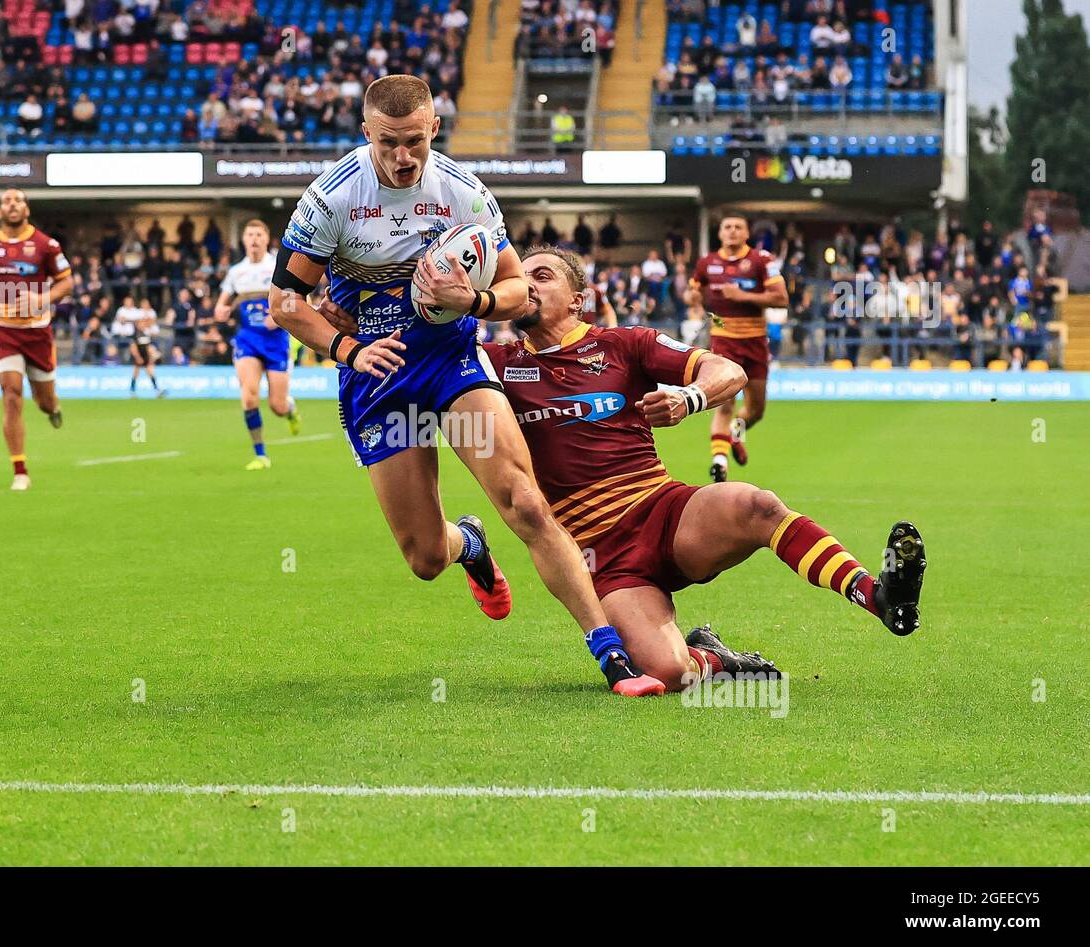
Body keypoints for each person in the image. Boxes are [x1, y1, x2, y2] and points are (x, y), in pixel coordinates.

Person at [284, 75, 656, 696]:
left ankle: (612, 655)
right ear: (366, 134)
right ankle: (469, 545)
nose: (404, 158)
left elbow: (517, 288)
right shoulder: (330, 201)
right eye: (388, 144)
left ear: (434, 128)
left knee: (527, 502)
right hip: (379, 381)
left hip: (452, 364)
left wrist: (475, 299)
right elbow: (285, 304)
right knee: (425, 558)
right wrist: (348, 347)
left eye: (415, 142)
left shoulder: (462, 191)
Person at [483, 247, 927, 689]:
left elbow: (727, 370)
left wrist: (686, 397)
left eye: (542, 276)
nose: (527, 285)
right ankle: (712, 658)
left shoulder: (625, 344)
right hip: (601, 558)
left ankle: (878, 596)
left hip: (665, 513)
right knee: (668, 673)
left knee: (757, 506)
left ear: (578, 299)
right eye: (520, 278)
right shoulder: (495, 364)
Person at [0, 189, 73, 491]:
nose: (12, 205)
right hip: (3, 330)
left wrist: (42, 297)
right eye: (6, 201)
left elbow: (67, 282)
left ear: (26, 209)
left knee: (44, 400)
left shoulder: (46, 245)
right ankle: (20, 470)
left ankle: (53, 408)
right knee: (11, 393)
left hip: (38, 332)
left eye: (18, 200)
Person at [686, 213, 788, 483]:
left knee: (755, 411)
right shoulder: (707, 263)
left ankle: (735, 433)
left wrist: (742, 295)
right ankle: (719, 462)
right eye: (727, 227)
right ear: (720, 234)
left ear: (746, 234)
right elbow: (691, 293)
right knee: (725, 403)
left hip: (755, 341)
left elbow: (782, 298)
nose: (732, 231)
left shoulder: (761, 261)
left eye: (737, 227)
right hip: (723, 341)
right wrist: (692, 297)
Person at [216, 219, 301, 470]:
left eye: (258, 235)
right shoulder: (236, 272)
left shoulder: (277, 265)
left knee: (277, 405)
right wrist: (221, 309)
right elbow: (223, 300)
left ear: (266, 239)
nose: (254, 239)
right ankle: (261, 454)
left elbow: (294, 295)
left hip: (275, 341)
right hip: (247, 339)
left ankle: (290, 409)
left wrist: (278, 315)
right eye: (249, 234)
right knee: (249, 396)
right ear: (243, 240)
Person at [128, 296, 165, 397]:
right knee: (136, 372)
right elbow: (133, 347)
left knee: (150, 371)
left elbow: (148, 346)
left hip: (145, 354)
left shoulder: (146, 333)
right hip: (139, 354)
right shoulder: (136, 334)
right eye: (142, 323)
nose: (143, 324)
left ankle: (157, 390)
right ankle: (132, 390)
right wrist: (137, 357)